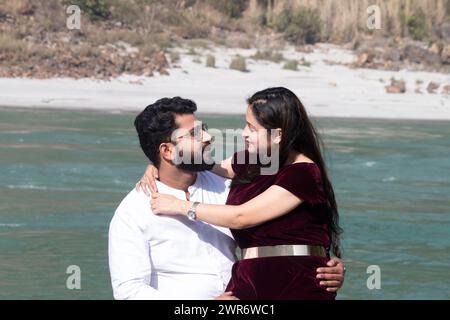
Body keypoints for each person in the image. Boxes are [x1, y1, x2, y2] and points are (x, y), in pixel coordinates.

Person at [144, 87, 344, 300]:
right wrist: (161, 164)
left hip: (296, 283)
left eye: (252, 128)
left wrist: (180, 206)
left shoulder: (303, 173)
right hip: (251, 280)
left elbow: (242, 217)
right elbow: (212, 166)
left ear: (278, 135)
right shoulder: (254, 160)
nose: (244, 133)